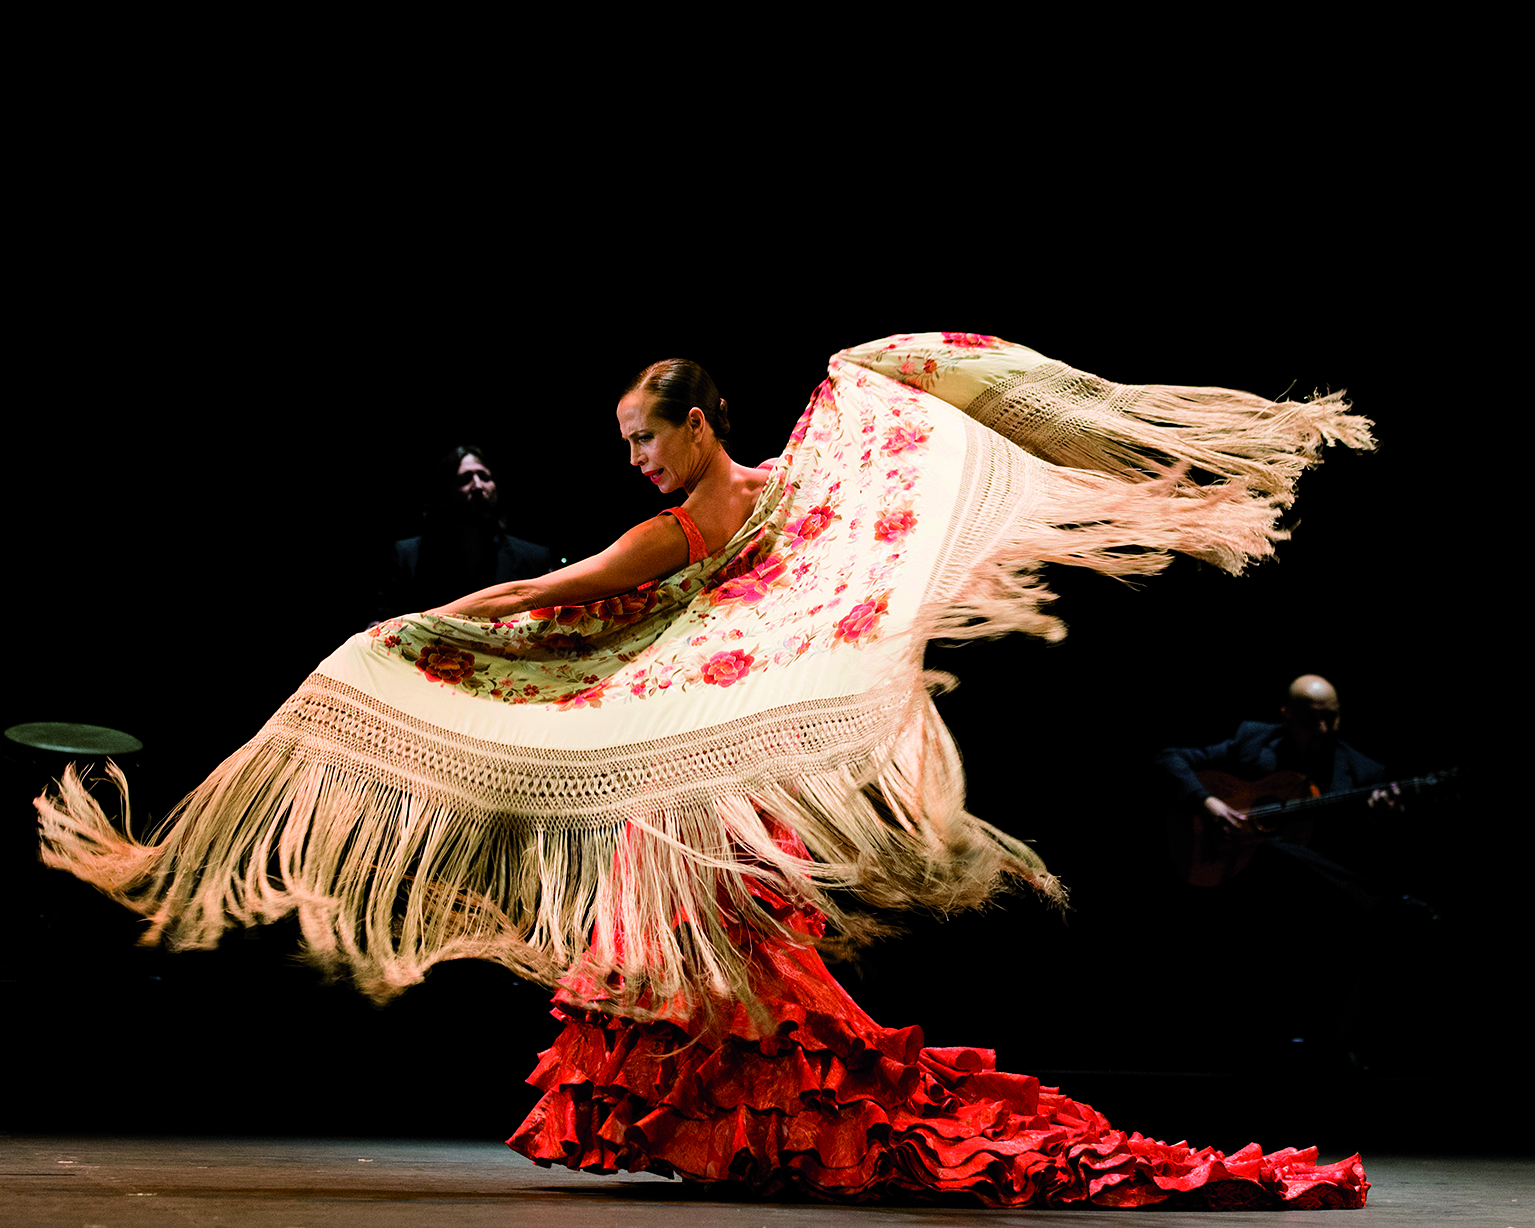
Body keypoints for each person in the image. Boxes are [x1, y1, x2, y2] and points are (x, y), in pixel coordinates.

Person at [37, 333, 1375, 1209]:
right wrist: (423, 630)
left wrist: (914, 376)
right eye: (623, 441)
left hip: (731, 791)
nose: (631, 454)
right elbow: (547, 587)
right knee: (695, 964)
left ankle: (789, 1126)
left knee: (739, 967)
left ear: (695, 420)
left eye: (643, 433)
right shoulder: (670, 529)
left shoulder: (797, 487)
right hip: (684, 796)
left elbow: (872, 482)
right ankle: (746, 1129)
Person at [373, 445, 553, 625]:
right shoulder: (409, 556)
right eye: (465, 479)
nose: (478, 486)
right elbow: (385, 621)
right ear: (444, 494)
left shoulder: (534, 559)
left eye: (484, 477)